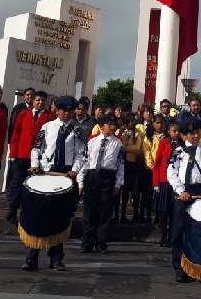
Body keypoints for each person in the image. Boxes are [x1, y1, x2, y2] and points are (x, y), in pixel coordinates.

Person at [21, 95, 85, 271]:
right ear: (57, 110)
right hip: (45, 174)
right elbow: (36, 148)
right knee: (37, 217)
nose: (66, 113)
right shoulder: (47, 127)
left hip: (64, 176)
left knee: (60, 218)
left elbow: (81, 153)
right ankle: (31, 258)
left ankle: (56, 259)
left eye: (70, 110)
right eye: (63, 110)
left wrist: (75, 169)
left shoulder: (77, 130)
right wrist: (34, 165)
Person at [167, 117, 201, 283]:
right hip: (184, 192)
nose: (195, 136)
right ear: (184, 135)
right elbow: (171, 171)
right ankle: (180, 268)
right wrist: (180, 190)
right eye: (191, 134)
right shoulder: (178, 151)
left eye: (197, 133)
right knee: (179, 231)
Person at [77, 113, 125, 254]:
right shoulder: (92, 142)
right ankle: (87, 242)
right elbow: (85, 162)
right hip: (92, 176)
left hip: (107, 177)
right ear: (101, 126)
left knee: (104, 212)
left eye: (114, 125)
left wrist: (118, 184)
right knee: (89, 210)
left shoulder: (118, 143)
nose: (112, 127)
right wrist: (80, 182)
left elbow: (120, 164)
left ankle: (101, 242)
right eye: (109, 124)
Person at [6, 91, 53, 224]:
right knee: (16, 183)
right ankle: (12, 210)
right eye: (37, 100)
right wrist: (13, 154)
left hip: (38, 157)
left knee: (33, 186)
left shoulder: (50, 116)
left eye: (43, 100)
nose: (40, 102)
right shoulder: (23, 114)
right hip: (22, 154)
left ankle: (27, 213)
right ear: (33, 101)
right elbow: (16, 134)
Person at [153, 120, 179, 247]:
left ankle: (172, 236)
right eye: (174, 131)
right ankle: (163, 235)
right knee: (163, 211)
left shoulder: (182, 144)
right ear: (168, 131)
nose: (176, 133)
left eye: (178, 131)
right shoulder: (164, 143)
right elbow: (157, 164)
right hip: (164, 181)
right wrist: (156, 183)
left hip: (176, 183)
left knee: (174, 211)